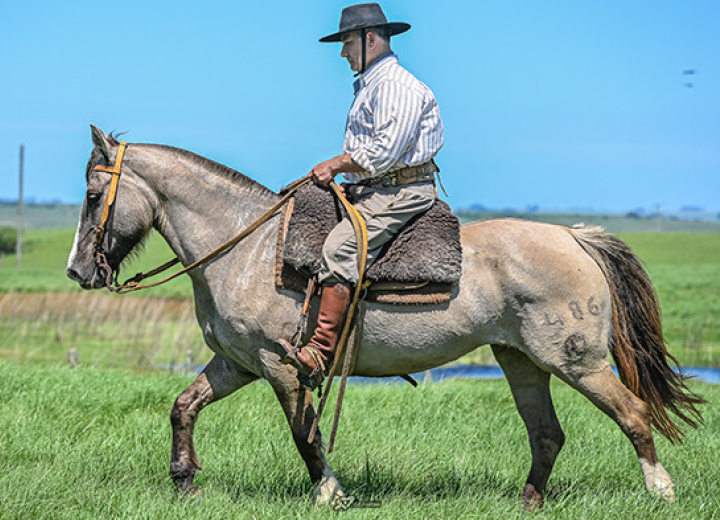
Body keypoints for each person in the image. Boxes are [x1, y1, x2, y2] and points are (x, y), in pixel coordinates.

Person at [278, 3, 444, 388]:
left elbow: (384, 152)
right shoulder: (373, 86)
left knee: (340, 249)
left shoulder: (396, 87)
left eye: (347, 42)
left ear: (371, 39)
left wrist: (335, 165)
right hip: (376, 187)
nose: (342, 52)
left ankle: (320, 354)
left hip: (401, 190)